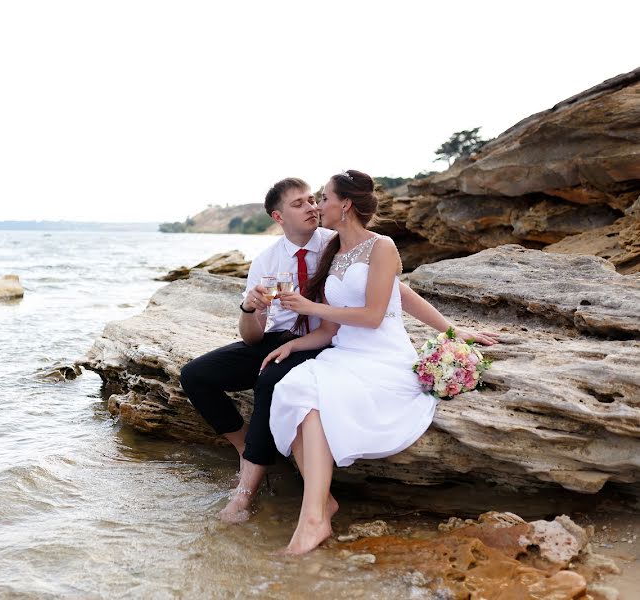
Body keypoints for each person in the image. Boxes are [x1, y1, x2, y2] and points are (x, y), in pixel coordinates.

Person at [180, 177, 497, 524]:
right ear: (278, 216)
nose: (312, 207)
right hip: (281, 337)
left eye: (314, 199)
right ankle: (245, 450)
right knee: (196, 375)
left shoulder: (339, 242)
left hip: (326, 340)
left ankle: (247, 491)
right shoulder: (267, 261)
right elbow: (253, 338)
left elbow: (395, 293)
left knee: (270, 383)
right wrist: (250, 310)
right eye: (299, 203)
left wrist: (453, 330)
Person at [264, 169, 455, 555]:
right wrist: (295, 346)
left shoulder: (382, 247)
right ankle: (323, 504)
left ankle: (313, 519)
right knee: (291, 389)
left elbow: (373, 314)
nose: (318, 205)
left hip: (381, 356)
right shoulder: (335, 251)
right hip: (345, 352)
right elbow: (332, 328)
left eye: (324, 198)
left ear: (345, 204)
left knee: (316, 402)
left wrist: (452, 332)